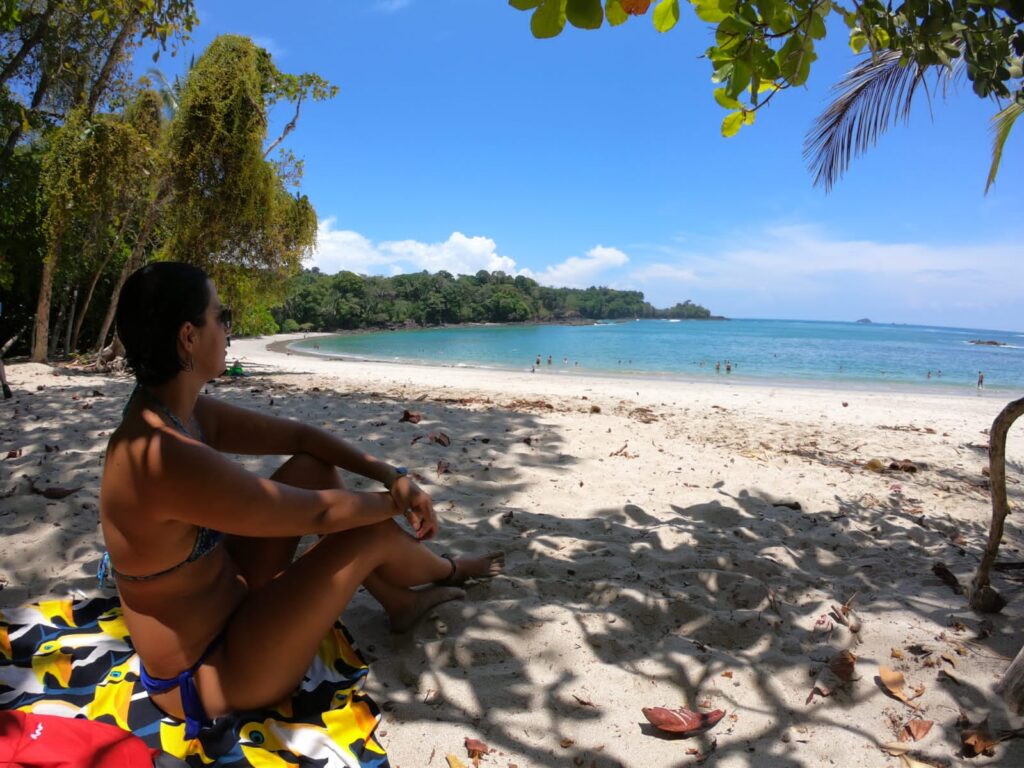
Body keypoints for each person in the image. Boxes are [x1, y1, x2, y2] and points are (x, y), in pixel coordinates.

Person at [99, 263, 503, 740]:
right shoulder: (163, 454)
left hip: (232, 598)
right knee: (364, 528)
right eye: (221, 316)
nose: (229, 330)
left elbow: (301, 436)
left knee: (315, 470)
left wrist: (389, 475)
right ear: (188, 336)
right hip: (208, 672)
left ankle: (398, 601)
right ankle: (450, 570)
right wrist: (400, 503)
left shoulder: (177, 412)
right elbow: (319, 514)